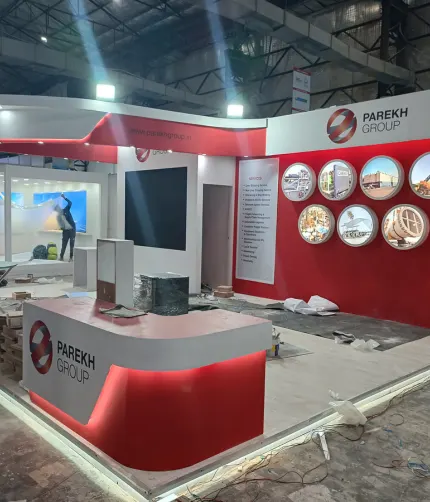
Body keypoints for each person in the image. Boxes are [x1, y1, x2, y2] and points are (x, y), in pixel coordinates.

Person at [55, 194, 76, 262]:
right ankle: (61, 257)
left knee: (71, 244)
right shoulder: (58, 217)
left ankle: (71, 257)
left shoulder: (66, 210)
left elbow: (70, 203)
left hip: (72, 230)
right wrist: (61, 228)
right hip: (65, 231)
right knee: (64, 244)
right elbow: (60, 226)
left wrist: (64, 198)